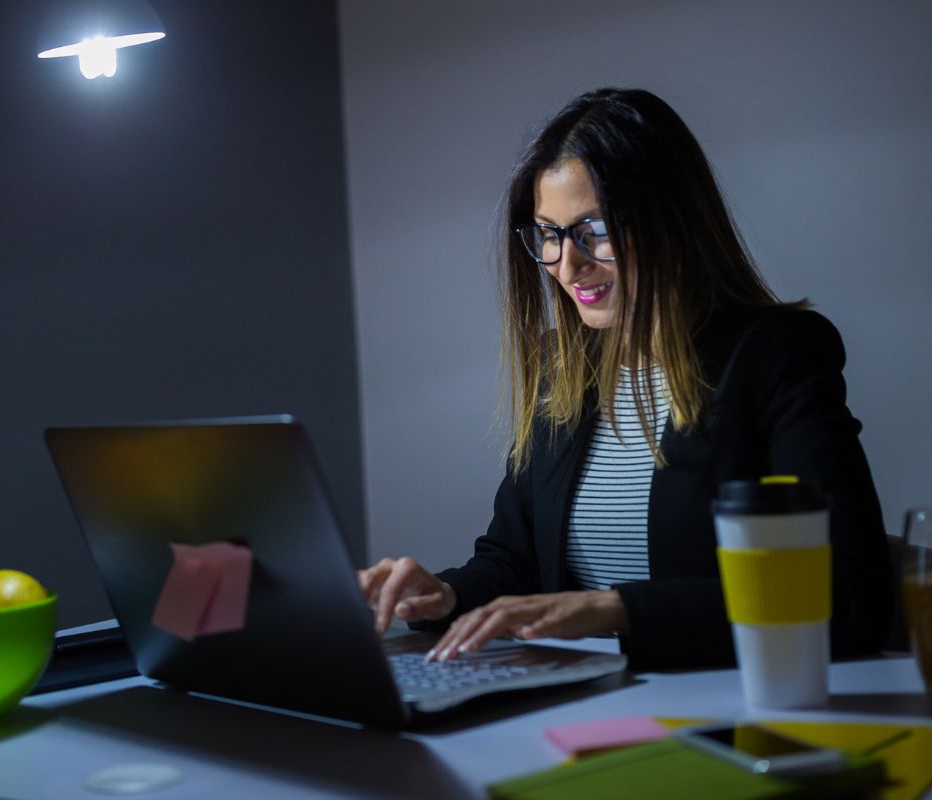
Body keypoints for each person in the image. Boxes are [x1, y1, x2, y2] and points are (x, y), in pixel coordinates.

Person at [358, 88, 892, 671]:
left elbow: (849, 595)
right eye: (549, 234)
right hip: (584, 704)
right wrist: (446, 595)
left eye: (596, 229)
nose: (568, 264)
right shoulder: (561, 373)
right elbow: (515, 561)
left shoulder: (776, 354)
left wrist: (618, 611)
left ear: (671, 220)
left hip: (723, 705)